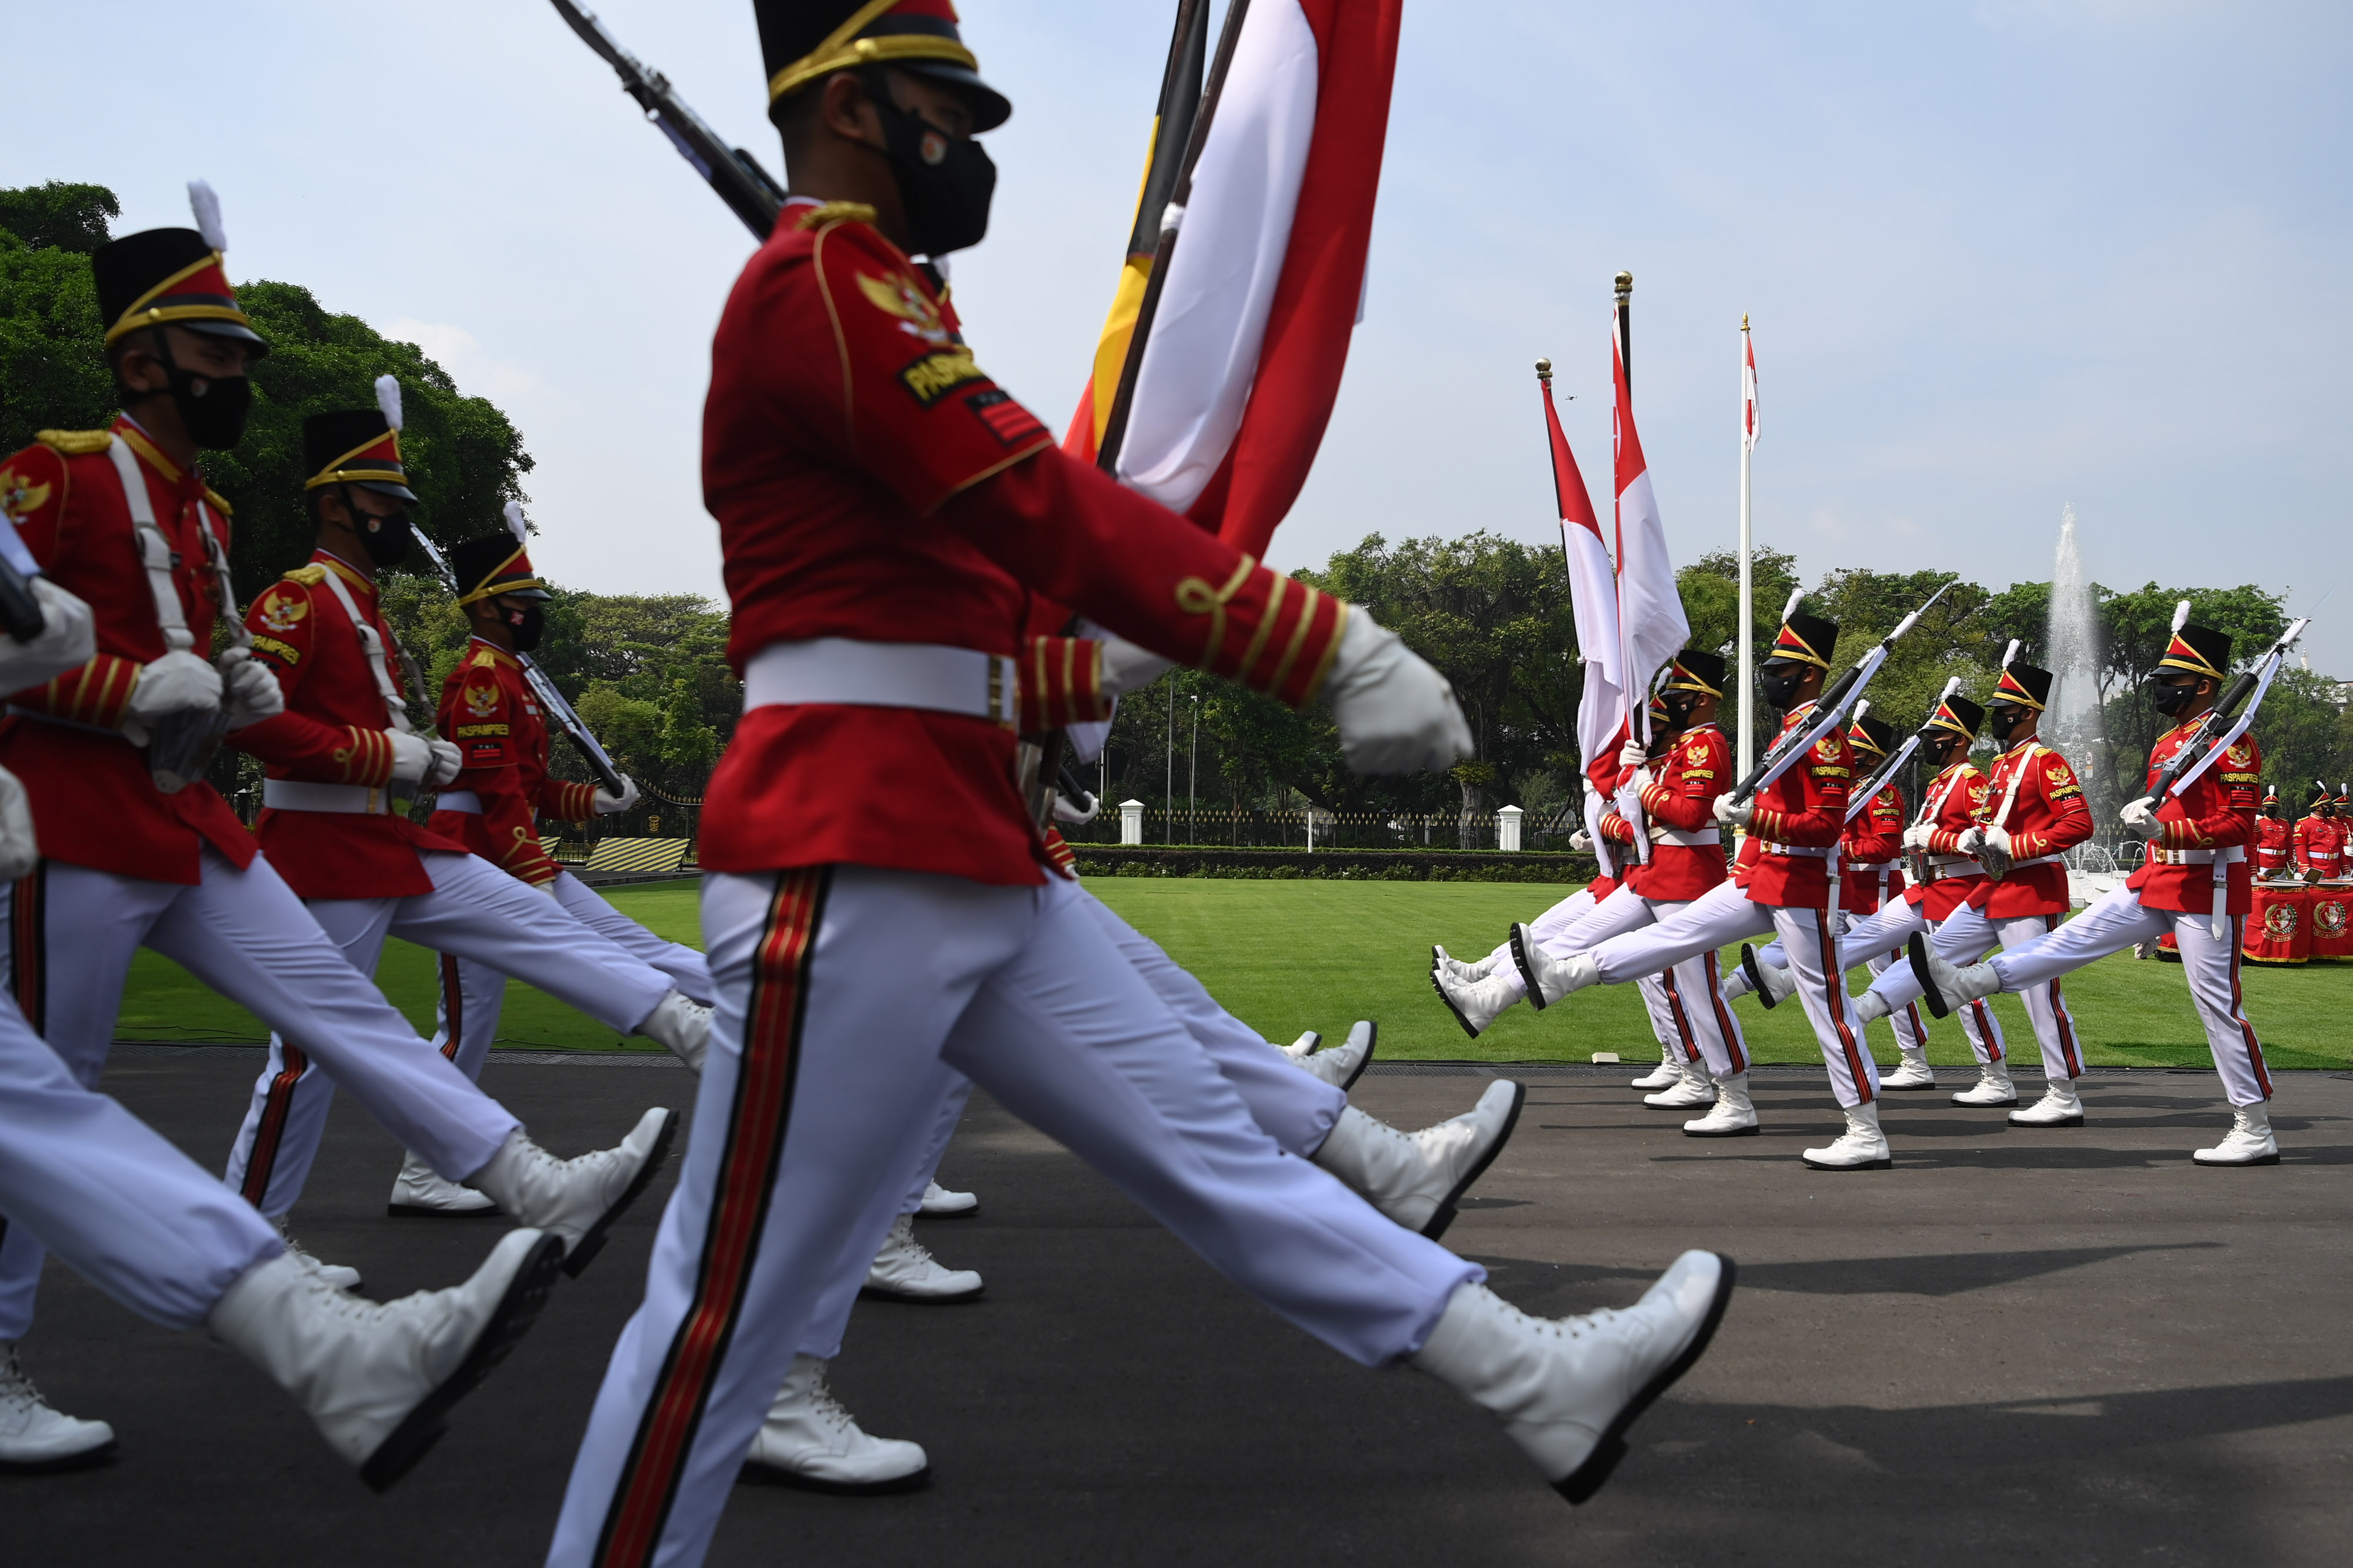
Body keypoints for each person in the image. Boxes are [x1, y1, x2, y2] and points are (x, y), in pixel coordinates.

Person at [547, 11, 1733, 1563]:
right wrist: (1309, 639)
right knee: (716, 1328)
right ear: (846, 109)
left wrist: (1098, 677)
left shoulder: (873, 296)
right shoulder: (820, 291)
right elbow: (1042, 508)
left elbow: (959, 624)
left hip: (958, 841)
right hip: (843, 856)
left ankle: (1532, 1379)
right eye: (934, 106)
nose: (963, 140)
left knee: (1222, 1159)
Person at [0, 202, 677, 1462]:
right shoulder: (58, 471)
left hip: (193, 814)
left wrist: (232, 676)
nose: (237, 374)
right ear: (142, 358)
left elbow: (216, 659)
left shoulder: (201, 515)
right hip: (72, 816)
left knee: (341, 1009)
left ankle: (530, 1179)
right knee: (49, 1096)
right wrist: (122, 690)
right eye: (216, 352)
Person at [220, 393, 712, 1233]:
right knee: (309, 1060)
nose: (396, 516)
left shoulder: (363, 604)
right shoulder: (294, 602)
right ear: (335, 502)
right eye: (382, 501)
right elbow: (247, 720)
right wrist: (392, 754)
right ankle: (247, 1245)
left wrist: (582, 799)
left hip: (387, 835)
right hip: (320, 847)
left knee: (537, 921)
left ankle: (700, 1034)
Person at [1508, 609, 1889, 1170]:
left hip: (1806, 887)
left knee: (1827, 1006)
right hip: (1762, 877)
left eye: (1781, 668)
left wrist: (1753, 818)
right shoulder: (1793, 731)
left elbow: (1827, 827)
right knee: (1681, 935)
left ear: (1810, 674)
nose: (1770, 677)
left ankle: (1865, 1130)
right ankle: (1571, 974)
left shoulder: (1824, 740)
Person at [1902, 622, 2274, 1165]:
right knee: (2073, 939)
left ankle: (2254, 1124)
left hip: (2208, 888)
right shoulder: (2174, 741)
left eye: (2172, 679)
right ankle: (1966, 982)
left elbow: (2242, 826)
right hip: (2158, 877)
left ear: (2202, 685)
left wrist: (2164, 830)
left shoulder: (2233, 742)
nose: (2160, 687)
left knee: (2217, 1007)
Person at [1840, 663, 2094, 1125]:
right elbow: (1984, 828)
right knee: (1930, 960)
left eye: (2002, 710)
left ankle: (2063, 1092)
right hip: (1991, 889)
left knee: (2039, 993)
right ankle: (1859, 1012)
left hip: (2031, 888)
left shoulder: (2046, 761)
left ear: (2026, 712)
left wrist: (2011, 846)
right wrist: (1972, 839)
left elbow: (2078, 824)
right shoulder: (2001, 766)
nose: (1995, 718)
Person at [2294, 787, 2342, 880]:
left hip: (2334, 870)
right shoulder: (2304, 824)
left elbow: (2339, 849)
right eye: (2327, 805)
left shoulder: (2335, 825)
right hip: (2315, 869)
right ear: (2318, 807)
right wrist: (2305, 869)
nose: (2330, 808)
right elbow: (2301, 849)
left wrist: (2346, 871)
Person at [2252, 789, 2292, 878]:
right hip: (2265, 861)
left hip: (2281, 862)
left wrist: (2291, 863)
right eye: (2268, 807)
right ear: (2263, 808)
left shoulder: (2285, 824)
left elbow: (2289, 845)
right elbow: (2254, 846)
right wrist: (2254, 865)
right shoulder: (2259, 823)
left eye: (2273, 808)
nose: (2271, 810)